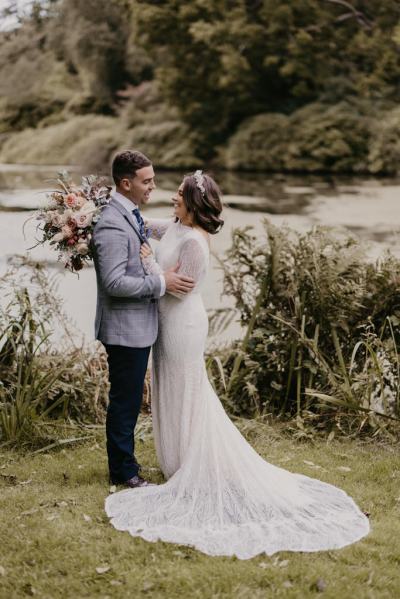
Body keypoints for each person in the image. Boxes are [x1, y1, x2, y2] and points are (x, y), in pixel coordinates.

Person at [105, 170, 370, 559]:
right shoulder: (174, 227)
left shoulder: (195, 242)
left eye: (179, 194)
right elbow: (139, 223)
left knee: (186, 390)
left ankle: (190, 463)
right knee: (168, 388)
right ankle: (177, 460)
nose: (173, 197)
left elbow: (182, 290)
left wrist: (149, 266)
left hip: (182, 326)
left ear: (194, 204)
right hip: (163, 325)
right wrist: (94, 209)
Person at [92, 150, 194, 489]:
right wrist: (162, 282)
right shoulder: (111, 224)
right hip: (124, 328)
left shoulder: (131, 214)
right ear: (126, 183)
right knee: (126, 401)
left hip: (135, 326)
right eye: (146, 181)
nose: (153, 186)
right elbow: (114, 282)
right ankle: (124, 472)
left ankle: (125, 465)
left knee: (130, 399)